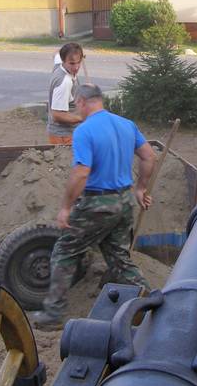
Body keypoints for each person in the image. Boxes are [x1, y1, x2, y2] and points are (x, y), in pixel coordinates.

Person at [32, 83, 157, 329]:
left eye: (76, 105)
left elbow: (81, 172)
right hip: (124, 202)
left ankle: (53, 314)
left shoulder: (84, 131)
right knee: (120, 260)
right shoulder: (126, 124)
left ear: (80, 102)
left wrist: (66, 207)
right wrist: (141, 188)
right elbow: (149, 156)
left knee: (65, 251)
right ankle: (153, 305)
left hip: (97, 204)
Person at [46, 42, 84, 145]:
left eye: (79, 62)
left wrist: (75, 50)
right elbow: (57, 114)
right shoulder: (65, 82)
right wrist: (82, 118)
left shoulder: (59, 65)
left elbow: (56, 53)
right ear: (63, 60)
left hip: (63, 135)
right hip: (63, 137)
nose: (76, 67)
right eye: (72, 63)